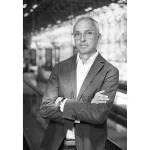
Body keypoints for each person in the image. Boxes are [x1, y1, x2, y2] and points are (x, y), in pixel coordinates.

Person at [40, 17, 119, 150]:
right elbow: (45, 109)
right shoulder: (60, 68)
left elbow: (98, 114)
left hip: (88, 146)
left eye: (88, 33)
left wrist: (62, 103)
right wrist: (88, 106)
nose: (82, 39)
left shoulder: (109, 71)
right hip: (56, 144)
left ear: (98, 37)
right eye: (77, 34)